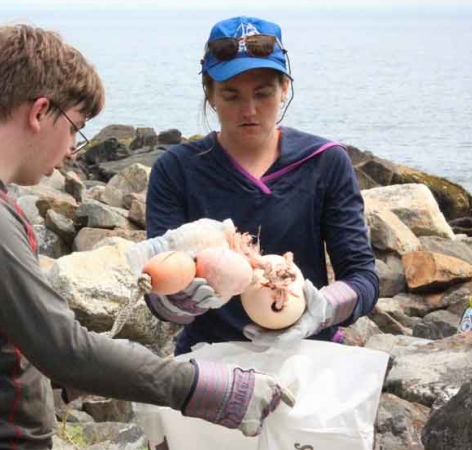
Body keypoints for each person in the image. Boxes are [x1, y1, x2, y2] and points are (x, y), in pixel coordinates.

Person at [0, 24, 291, 450]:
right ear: (40, 112)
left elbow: (7, 344)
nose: (72, 150)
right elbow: (64, 350)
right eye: (76, 128)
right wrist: (205, 389)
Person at [137, 16, 379, 356]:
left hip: (309, 354)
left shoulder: (324, 162)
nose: (248, 110)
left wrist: (321, 309)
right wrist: (181, 301)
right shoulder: (177, 169)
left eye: (263, 93)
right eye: (231, 95)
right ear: (210, 94)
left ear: (284, 89)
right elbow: (157, 294)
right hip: (210, 357)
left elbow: (363, 278)